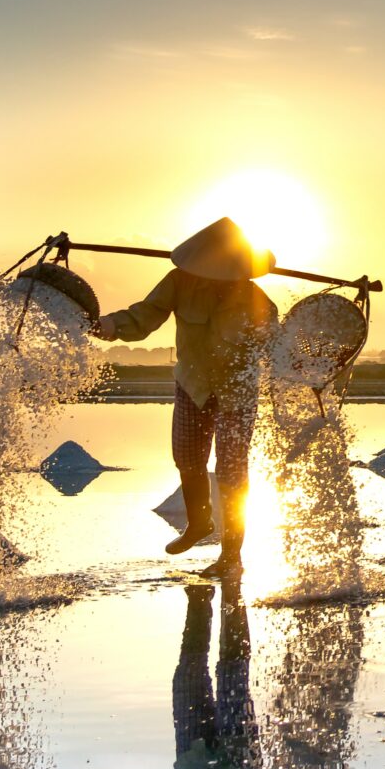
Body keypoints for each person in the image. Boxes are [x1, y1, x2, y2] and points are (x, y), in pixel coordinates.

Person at [91, 216, 278, 575]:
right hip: (192, 384)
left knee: (231, 470)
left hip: (237, 390)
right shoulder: (179, 282)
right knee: (188, 458)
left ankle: (230, 555)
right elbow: (145, 315)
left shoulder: (255, 298)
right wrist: (109, 326)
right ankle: (199, 524)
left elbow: (275, 344)